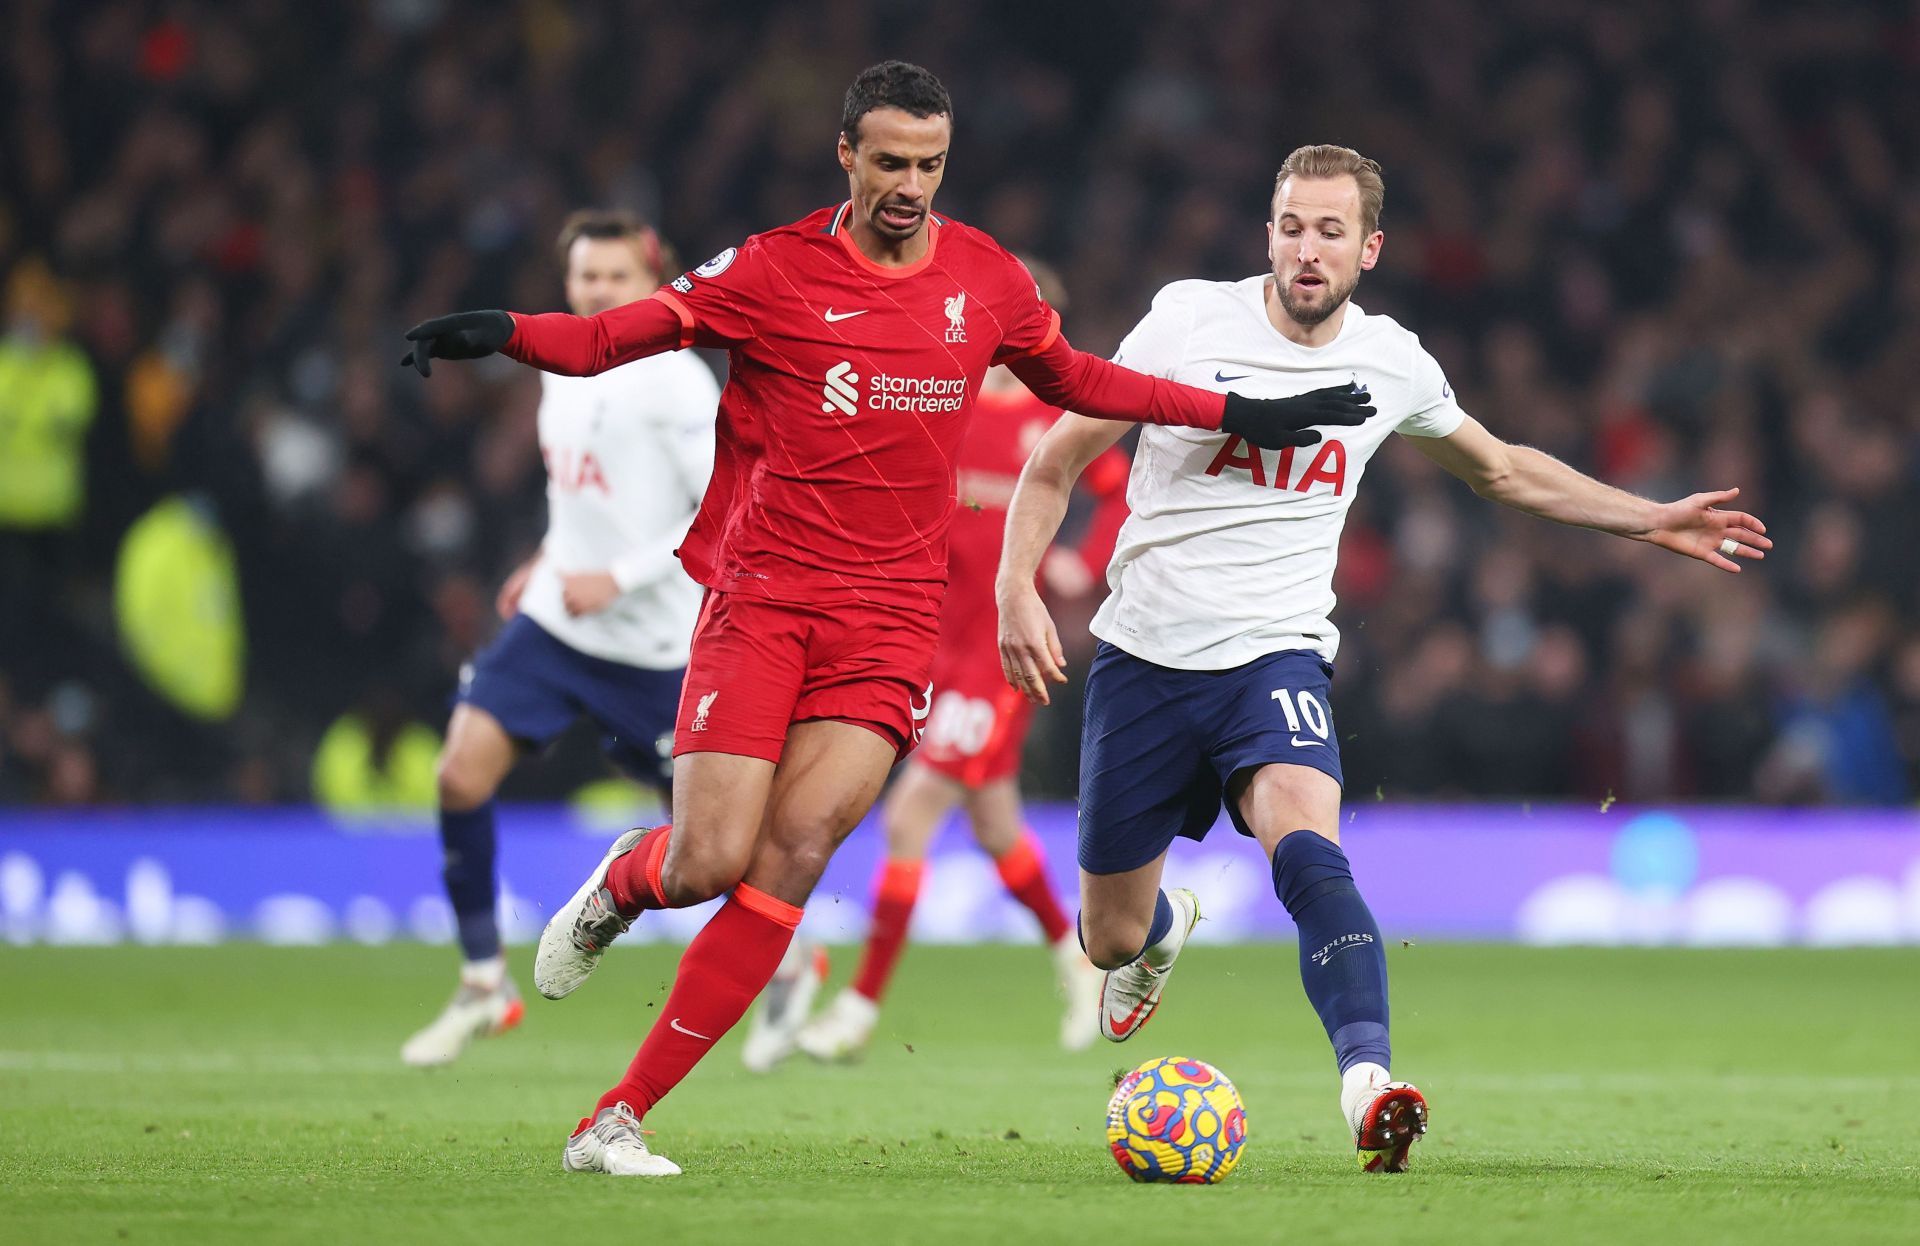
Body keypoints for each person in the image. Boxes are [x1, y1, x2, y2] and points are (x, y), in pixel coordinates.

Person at [400, 62, 1374, 1177]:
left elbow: (1083, 380)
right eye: (891, 161)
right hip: (763, 601)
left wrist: (1243, 409)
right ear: (848, 156)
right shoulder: (770, 270)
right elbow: (622, 333)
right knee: (708, 859)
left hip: (891, 625)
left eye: (931, 163)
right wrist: (506, 332)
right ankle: (635, 875)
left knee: (797, 853)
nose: (911, 183)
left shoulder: (983, 277)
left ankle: (614, 1117)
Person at [995, 144, 1773, 1174]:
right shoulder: (1186, 322)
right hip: (1143, 660)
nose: (1307, 250)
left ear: (1369, 247)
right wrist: (1015, 585)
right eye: (1290, 227)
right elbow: (1056, 461)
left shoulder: (1391, 359)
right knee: (1105, 934)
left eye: (1329, 231)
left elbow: (1499, 469)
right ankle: (1157, 933)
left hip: (1275, 658)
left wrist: (1649, 519)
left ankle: (1369, 1084)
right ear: (1265, 233)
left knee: (1309, 845)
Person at [745, 261, 1125, 1069]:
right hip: (924, 634)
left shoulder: (1055, 416)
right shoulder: (938, 401)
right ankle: (1079, 961)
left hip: (1000, 649)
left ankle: (857, 1006)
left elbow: (1121, 491)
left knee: (910, 815)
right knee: (993, 825)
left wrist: (1081, 562)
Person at [399, 211, 719, 1067]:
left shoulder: (681, 385)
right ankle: (479, 984)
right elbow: (583, 493)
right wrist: (547, 558)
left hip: (654, 646)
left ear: (652, 282)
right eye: (585, 279)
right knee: (459, 770)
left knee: (710, 849)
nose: (598, 292)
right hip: (556, 622)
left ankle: (795, 970)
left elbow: (717, 509)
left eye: (615, 278)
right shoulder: (564, 366)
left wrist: (619, 576)